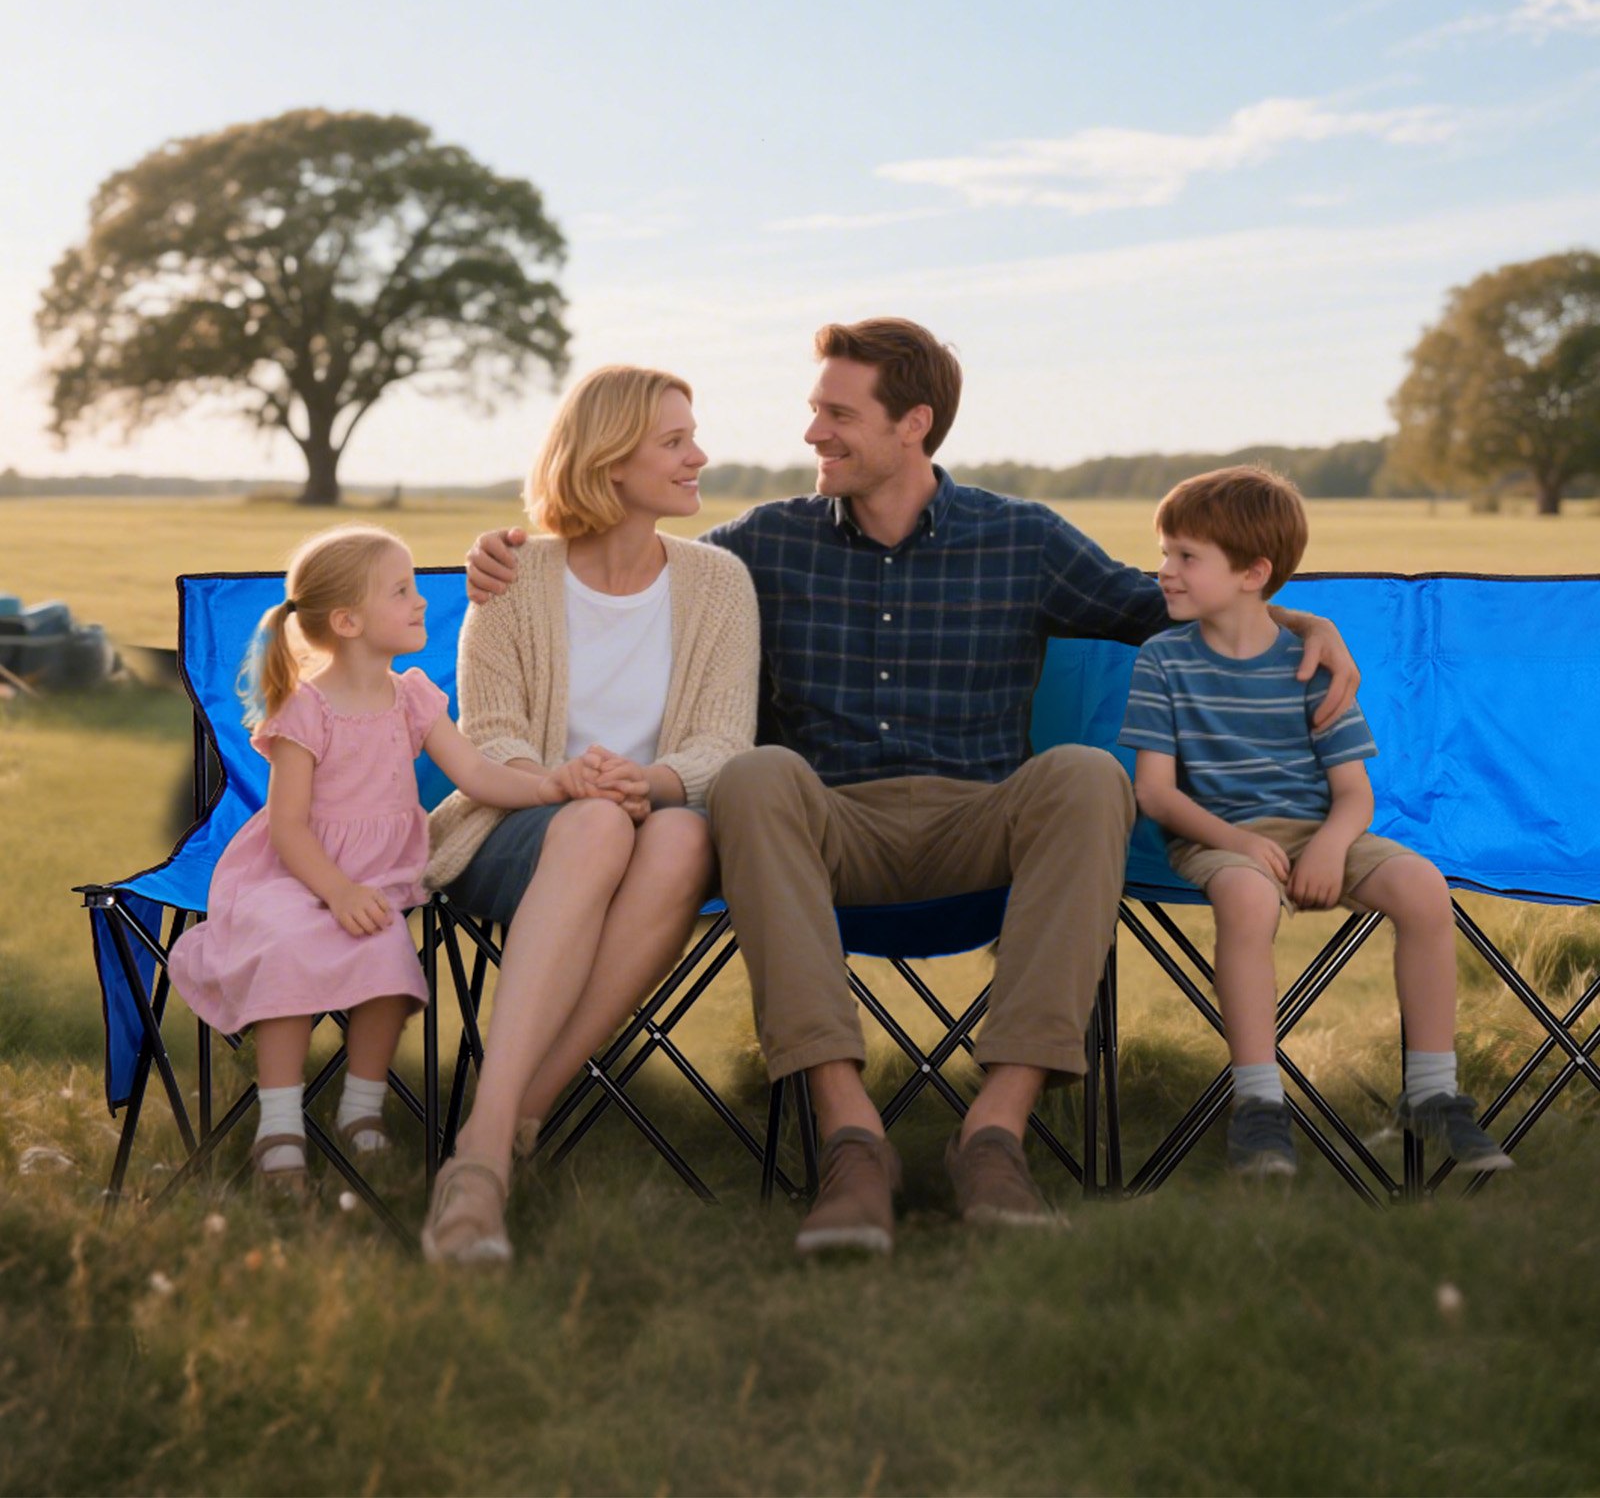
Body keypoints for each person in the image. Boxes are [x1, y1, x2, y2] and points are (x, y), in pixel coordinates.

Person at [467, 318, 1360, 1255]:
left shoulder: (1021, 537)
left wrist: (1299, 623)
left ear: (914, 424)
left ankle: (996, 1133)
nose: (812, 433)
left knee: (1090, 778)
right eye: (815, 410)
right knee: (757, 773)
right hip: (827, 830)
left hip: (978, 823)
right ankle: (851, 1140)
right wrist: (513, 552)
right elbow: (629, 556)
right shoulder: (759, 549)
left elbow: (1166, 610)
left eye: (837, 414)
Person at [422, 365, 759, 1265]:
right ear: (610, 461)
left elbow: (724, 744)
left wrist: (646, 784)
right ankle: (489, 1145)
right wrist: (565, 783)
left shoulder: (720, 584)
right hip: (515, 829)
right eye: (675, 441)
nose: (700, 456)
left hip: (655, 826)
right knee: (602, 826)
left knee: (683, 830)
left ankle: (509, 1127)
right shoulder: (514, 578)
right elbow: (487, 737)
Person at [1119, 466, 1512, 1177]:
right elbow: (1155, 794)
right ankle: (1259, 1105)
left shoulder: (1311, 664)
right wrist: (1238, 841)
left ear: (1252, 573)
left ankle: (1431, 1090)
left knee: (1423, 886)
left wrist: (1331, 846)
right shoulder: (1162, 661)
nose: (1164, 572)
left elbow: (1354, 794)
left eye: (1185, 557)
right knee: (1246, 895)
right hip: (1214, 834)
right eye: (1164, 553)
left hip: (1316, 829)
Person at [167, 524, 563, 1198]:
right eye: (401, 591)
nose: (420, 603)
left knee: (389, 967)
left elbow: (475, 772)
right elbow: (288, 828)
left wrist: (554, 787)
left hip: (380, 877)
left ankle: (360, 1109)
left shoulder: (411, 696)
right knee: (289, 949)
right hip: (295, 873)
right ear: (348, 621)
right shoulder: (304, 708)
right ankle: (281, 1125)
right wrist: (338, 890)